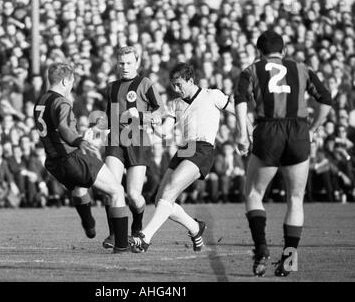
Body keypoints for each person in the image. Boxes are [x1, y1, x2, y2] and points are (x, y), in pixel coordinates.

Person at [234, 30, 332, 277]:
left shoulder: (252, 70)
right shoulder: (301, 68)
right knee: (296, 198)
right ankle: (289, 260)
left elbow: (240, 100)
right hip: (298, 130)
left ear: (259, 52)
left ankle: (262, 248)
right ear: (284, 50)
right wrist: (313, 129)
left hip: (268, 129)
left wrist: (242, 134)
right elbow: (326, 100)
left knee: (254, 193)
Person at [129, 62, 235, 253]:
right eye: (173, 86)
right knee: (161, 198)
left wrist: (248, 133)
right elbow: (163, 132)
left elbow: (237, 111)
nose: (176, 90)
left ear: (191, 80)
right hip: (185, 149)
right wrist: (146, 118)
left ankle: (145, 237)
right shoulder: (175, 104)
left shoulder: (212, 95)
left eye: (179, 85)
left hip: (203, 149)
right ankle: (196, 228)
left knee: (169, 193)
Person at [33, 62, 130, 253]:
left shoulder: (40, 101)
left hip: (53, 162)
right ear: (64, 81)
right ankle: (121, 245)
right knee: (117, 191)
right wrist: (79, 141)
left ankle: (88, 222)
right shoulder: (61, 101)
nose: (71, 87)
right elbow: (63, 128)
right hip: (70, 157)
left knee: (80, 187)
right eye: (71, 82)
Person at [102, 46, 166, 249]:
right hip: (115, 142)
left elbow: (160, 111)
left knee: (134, 195)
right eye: (121, 63)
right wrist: (96, 129)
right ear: (116, 64)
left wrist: (142, 115)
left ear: (137, 63)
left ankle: (137, 227)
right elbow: (109, 116)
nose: (125, 67)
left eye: (129, 63)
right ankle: (113, 235)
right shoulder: (111, 87)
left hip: (138, 142)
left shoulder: (144, 83)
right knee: (110, 189)